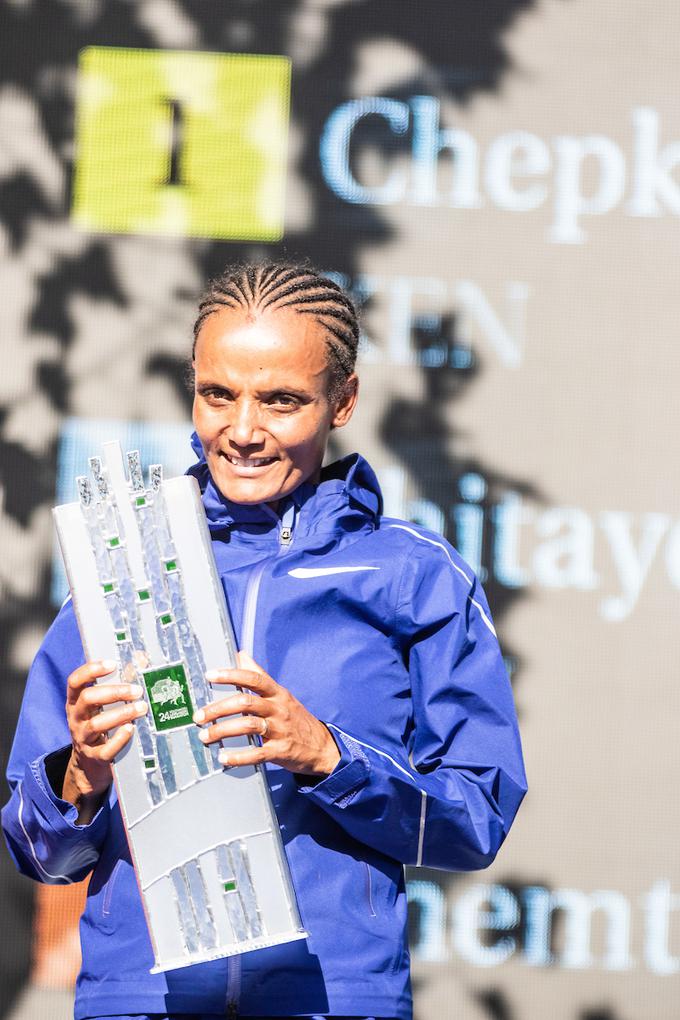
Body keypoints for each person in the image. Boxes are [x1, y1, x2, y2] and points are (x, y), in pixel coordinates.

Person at [2, 261, 527, 1020]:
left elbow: (474, 820)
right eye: (218, 394)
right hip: (138, 998)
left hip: (334, 998)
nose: (243, 430)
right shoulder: (122, 567)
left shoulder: (415, 575)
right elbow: (38, 852)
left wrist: (327, 756)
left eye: (281, 400)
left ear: (342, 400)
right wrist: (81, 774)